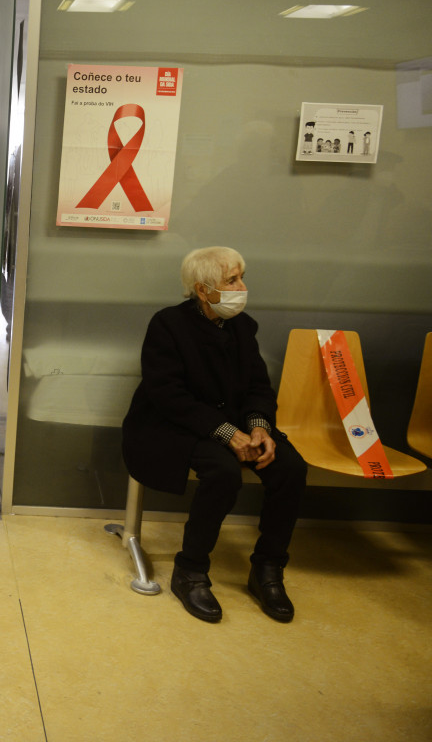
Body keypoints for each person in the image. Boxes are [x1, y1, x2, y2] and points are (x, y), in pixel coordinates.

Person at [121, 246, 307, 624]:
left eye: (242, 277)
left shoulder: (243, 327)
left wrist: (258, 427)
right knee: (222, 472)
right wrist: (226, 433)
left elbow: (258, 385)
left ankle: (267, 568)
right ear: (203, 291)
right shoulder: (168, 325)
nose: (242, 286)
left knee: (290, 468)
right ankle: (190, 570)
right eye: (232, 280)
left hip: (236, 424)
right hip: (173, 426)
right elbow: (168, 395)